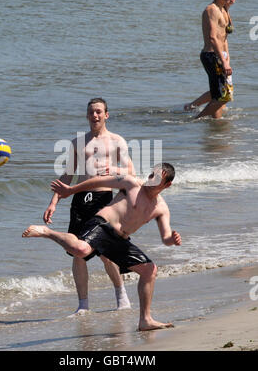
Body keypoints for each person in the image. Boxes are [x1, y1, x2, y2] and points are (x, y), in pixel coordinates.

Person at [23, 163, 182, 331]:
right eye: (151, 175)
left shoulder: (161, 208)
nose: (150, 180)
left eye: (157, 179)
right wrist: (70, 190)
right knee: (81, 250)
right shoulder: (131, 183)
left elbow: (166, 237)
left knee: (149, 270)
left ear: (167, 185)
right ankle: (47, 232)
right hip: (101, 225)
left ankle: (145, 320)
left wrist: (172, 239)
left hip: (119, 240)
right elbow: (97, 181)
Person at [43, 98, 133, 314]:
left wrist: (113, 169)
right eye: (91, 112)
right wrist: (53, 202)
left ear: (106, 115)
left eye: (99, 112)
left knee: (105, 252)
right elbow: (68, 174)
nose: (95, 116)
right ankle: (83, 304)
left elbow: (130, 171)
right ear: (87, 116)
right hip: (80, 201)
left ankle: (122, 296)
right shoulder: (78, 142)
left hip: (105, 201)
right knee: (77, 252)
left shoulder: (116, 141)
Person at [185, 0, 234, 118]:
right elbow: (213, 38)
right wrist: (223, 61)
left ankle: (212, 120)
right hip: (212, 55)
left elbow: (224, 36)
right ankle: (196, 120)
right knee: (223, 96)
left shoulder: (223, 9)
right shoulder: (211, 10)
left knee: (219, 93)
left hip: (221, 55)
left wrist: (227, 58)